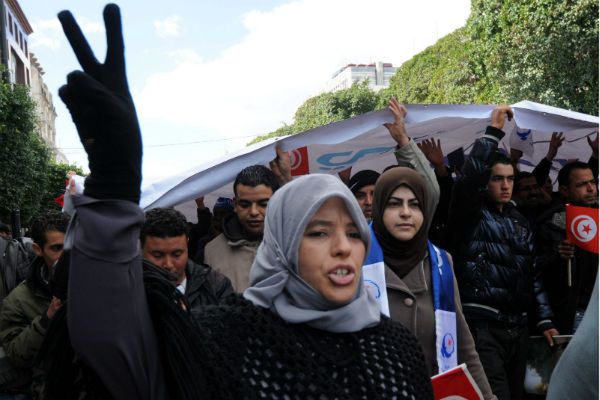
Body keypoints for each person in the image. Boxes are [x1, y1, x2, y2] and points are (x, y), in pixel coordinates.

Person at [53, 5, 435, 399]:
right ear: (283, 244)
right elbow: (116, 355)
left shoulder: (398, 350)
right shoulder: (221, 338)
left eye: (354, 233)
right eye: (319, 232)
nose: (343, 247)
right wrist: (113, 191)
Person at [367, 99, 495, 399]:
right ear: (377, 210)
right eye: (394, 204)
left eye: (414, 205)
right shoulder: (353, 259)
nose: (406, 213)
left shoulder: (440, 263)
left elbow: (464, 348)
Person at [447, 106, 557, 400]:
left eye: (510, 178)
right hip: (482, 328)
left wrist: (544, 319)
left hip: (518, 329)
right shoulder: (470, 215)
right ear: (486, 182)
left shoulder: (519, 220)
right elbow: (467, 183)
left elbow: (532, 273)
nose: (506, 185)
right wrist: (493, 133)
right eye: (498, 178)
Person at [0, 211, 69, 397]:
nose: (66, 258)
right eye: (57, 248)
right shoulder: (18, 301)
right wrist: (47, 319)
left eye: (72, 248)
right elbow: (16, 354)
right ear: (38, 249)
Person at [535, 160, 598, 334]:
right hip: (576, 312)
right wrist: (557, 256)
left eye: (592, 182)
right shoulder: (550, 225)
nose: (591, 189)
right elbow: (535, 272)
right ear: (564, 190)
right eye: (582, 185)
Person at [204, 164, 281, 292]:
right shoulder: (212, 251)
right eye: (245, 204)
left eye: (263, 204)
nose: (254, 212)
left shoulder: (295, 245)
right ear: (235, 205)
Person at [141, 208, 233, 311]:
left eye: (177, 254)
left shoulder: (216, 286)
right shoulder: (127, 292)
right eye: (158, 255)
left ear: (187, 243)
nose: (168, 264)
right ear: (140, 248)